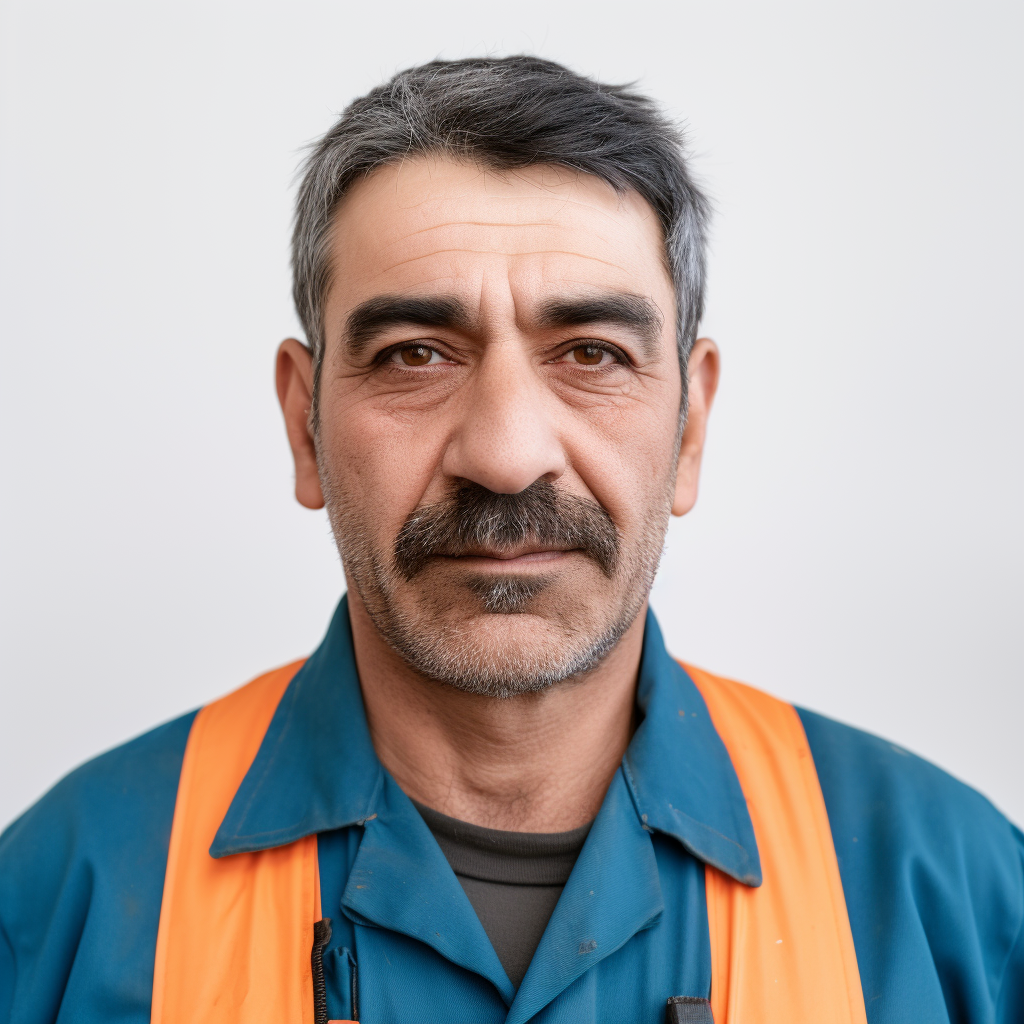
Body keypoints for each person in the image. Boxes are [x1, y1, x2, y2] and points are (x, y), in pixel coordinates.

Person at [0, 55, 1021, 1024]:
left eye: (589, 351)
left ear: (690, 426)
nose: (503, 453)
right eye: (414, 354)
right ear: (302, 423)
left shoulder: (951, 896)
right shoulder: (57, 905)